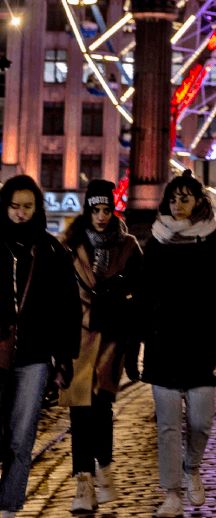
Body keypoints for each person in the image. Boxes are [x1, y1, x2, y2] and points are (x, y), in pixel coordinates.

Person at [134, 172, 216, 518]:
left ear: (199, 201)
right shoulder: (156, 240)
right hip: (163, 341)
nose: (177, 205)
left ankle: (191, 467)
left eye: (185, 198)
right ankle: (172, 493)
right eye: (173, 199)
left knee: (200, 422)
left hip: (203, 341)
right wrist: (134, 339)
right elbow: (144, 294)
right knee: (166, 425)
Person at [59, 180, 143, 512]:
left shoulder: (129, 246)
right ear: (87, 210)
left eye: (106, 209)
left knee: (102, 409)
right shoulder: (71, 245)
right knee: (79, 412)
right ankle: (84, 483)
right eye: (95, 210)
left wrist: (134, 347)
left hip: (112, 338)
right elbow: (60, 297)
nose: (101, 217)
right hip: (78, 339)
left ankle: (104, 470)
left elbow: (140, 301)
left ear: (113, 209)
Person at [0, 175, 81, 518]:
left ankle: (9, 509)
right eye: (14, 207)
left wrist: (64, 358)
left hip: (34, 356)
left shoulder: (51, 250)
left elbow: (68, 307)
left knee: (21, 438)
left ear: (38, 208)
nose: (20, 214)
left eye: (27, 207)